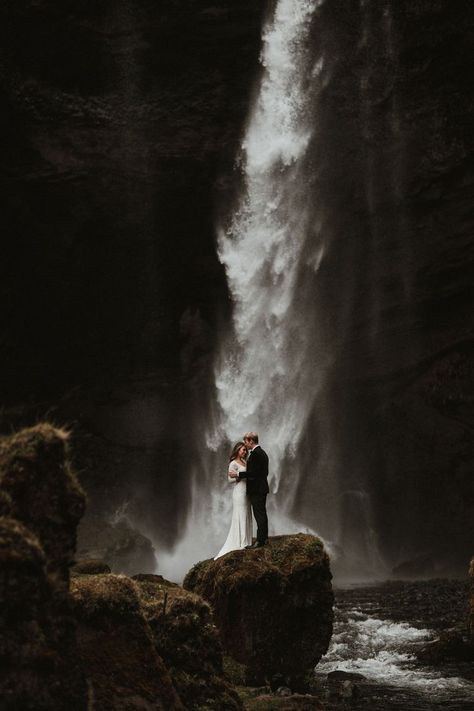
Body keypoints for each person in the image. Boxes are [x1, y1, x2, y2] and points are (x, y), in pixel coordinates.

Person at [214, 441, 253, 559]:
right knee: (240, 514)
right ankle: (241, 542)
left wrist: (239, 474)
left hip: (247, 491)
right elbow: (229, 480)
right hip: (239, 491)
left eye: (245, 450)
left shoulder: (245, 462)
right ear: (237, 450)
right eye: (242, 450)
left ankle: (247, 541)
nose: (245, 452)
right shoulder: (233, 463)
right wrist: (237, 476)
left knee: (247, 514)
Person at [239, 432, 269, 548]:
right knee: (262, 514)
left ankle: (260, 541)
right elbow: (265, 473)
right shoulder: (262, 453)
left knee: (259, 515)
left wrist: (238, 474)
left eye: (246, 442)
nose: (245, 444)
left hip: (257, 489)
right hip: (261, 488)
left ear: (251, 441)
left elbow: (254, 473)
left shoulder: (256, 454)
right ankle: (264, 538)